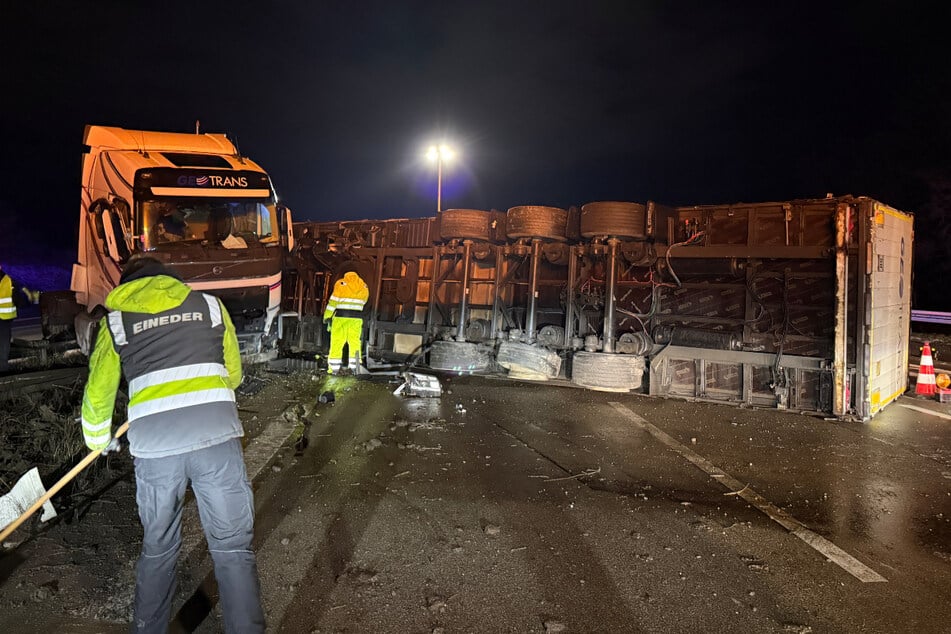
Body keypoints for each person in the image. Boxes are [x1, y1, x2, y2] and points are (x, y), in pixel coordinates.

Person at [80, 255, 264, 633]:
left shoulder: (116, 322)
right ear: (169, 277)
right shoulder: (210, 306)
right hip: (216, 438)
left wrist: (99, 441)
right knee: (232, 548)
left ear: (126, 284)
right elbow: (233, 374)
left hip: (156, 449)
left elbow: (98, 394)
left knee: (159, 548)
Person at [323, 271, 369, 374]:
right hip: (357, 318)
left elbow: (333, 302)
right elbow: (364, 301)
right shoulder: (364, 286)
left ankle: (334, 369)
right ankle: (355, 368)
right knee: (355, 342)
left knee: (337, 342)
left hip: (341, 317)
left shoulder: (341, 284)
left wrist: (327, 316)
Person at [0, 264, 40, 372]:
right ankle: (3, 373)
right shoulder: (9, 281)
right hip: (4, 320)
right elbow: (19, 302)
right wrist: (32, 302)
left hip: (4, 319)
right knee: (3, 347)